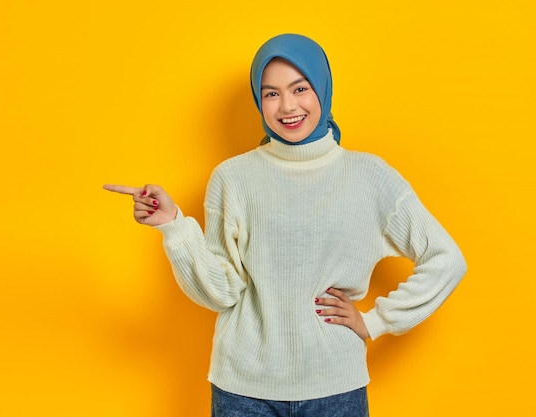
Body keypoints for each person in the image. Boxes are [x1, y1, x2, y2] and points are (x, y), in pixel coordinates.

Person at [104, 33, 466, 417]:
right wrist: (174, 226)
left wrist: (376, 320)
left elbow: (447, 259)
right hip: (243, 390)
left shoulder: (369, 176)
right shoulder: (233, 178)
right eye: (271, 93)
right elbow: (221, 292)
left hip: (335, 389)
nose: (287, 106)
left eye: (300, 88)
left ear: (322, 90)